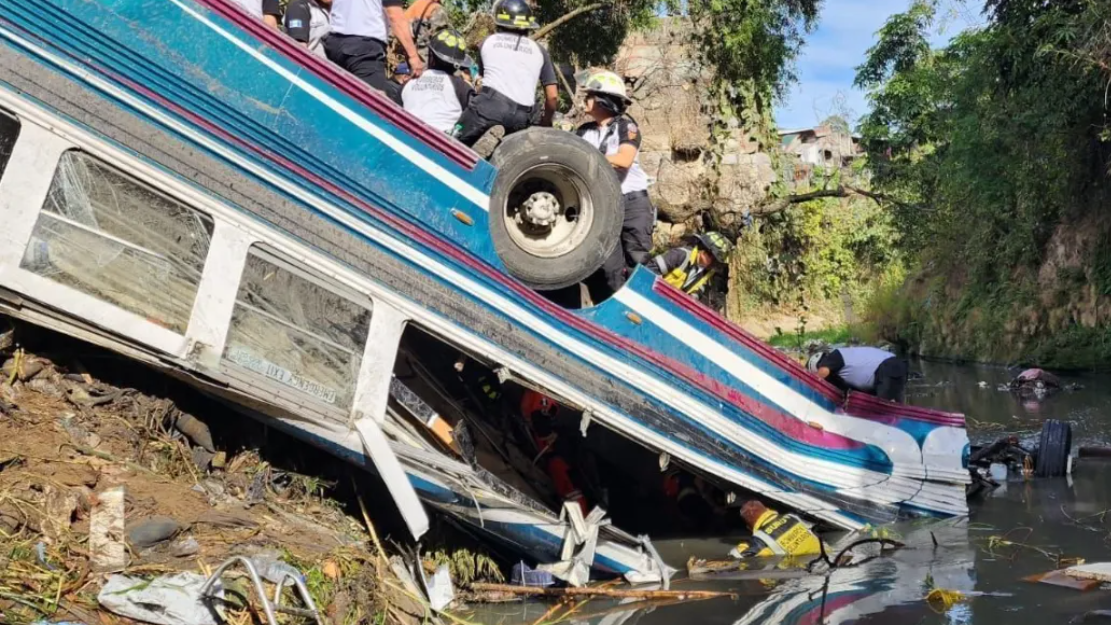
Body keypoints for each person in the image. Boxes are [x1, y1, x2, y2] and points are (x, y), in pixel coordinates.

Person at [575, 70, 653, 294]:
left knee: (638, 263)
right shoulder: (584, 132)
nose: (585, 100)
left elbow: (624, 159)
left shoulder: (626, 128)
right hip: (603, 205)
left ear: (603, 100)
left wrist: (588, 158)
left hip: (632, 205)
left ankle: (642, 313)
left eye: (590, 95)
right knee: (609, 267)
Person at [452, 0, 559, 150]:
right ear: (528, 26)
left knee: (453, 146)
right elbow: (553, 96)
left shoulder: (487, 42)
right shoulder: (540, 51)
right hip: (521, 118)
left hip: (487, 108)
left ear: (499, 23)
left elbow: (482, 82)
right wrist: (546, 121)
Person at [324, 0, 423, 100]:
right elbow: (395, 16)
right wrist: (413, 56)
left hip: (334, 42)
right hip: (364, 49)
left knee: (336, 96)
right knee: (372, 103)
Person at [520, 390, 587, 514]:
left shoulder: (538, 397)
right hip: (552, 451)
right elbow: (541, 427)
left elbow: (541, 424)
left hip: (554, 452)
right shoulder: (539, 397)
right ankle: (577, 513)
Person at [401, 29, 474, 133]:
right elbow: (472, 117)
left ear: (431, 55)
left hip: (406, 137)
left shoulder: (409, 83)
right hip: (443, 143)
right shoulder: (462, 87)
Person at [807, 346, 909, 403]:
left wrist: (809, 388)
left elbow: (823, 372)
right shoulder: (845, 376)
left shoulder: (835, 355)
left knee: (881, 409)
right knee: (896, 409)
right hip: (895, 368)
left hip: (887, 368)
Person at [648, 232, 734, 297]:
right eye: (714, 259)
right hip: (652, 293)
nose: (713, 263)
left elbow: (696, 295)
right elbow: (650, 268)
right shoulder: (680, 255)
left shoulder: (707, 275)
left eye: (716, 262)